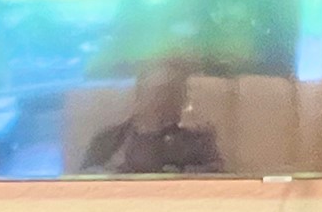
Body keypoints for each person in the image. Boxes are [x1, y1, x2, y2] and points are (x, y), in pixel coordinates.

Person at [80, 56, 222, 174]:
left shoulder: (197, 142)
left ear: (182, 101)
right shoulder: (106, 140)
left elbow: (217, 180)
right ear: (139, 95)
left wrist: (180, 174)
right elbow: (82, 183)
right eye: (158, 93)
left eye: (174, 94)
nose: (164, 101)